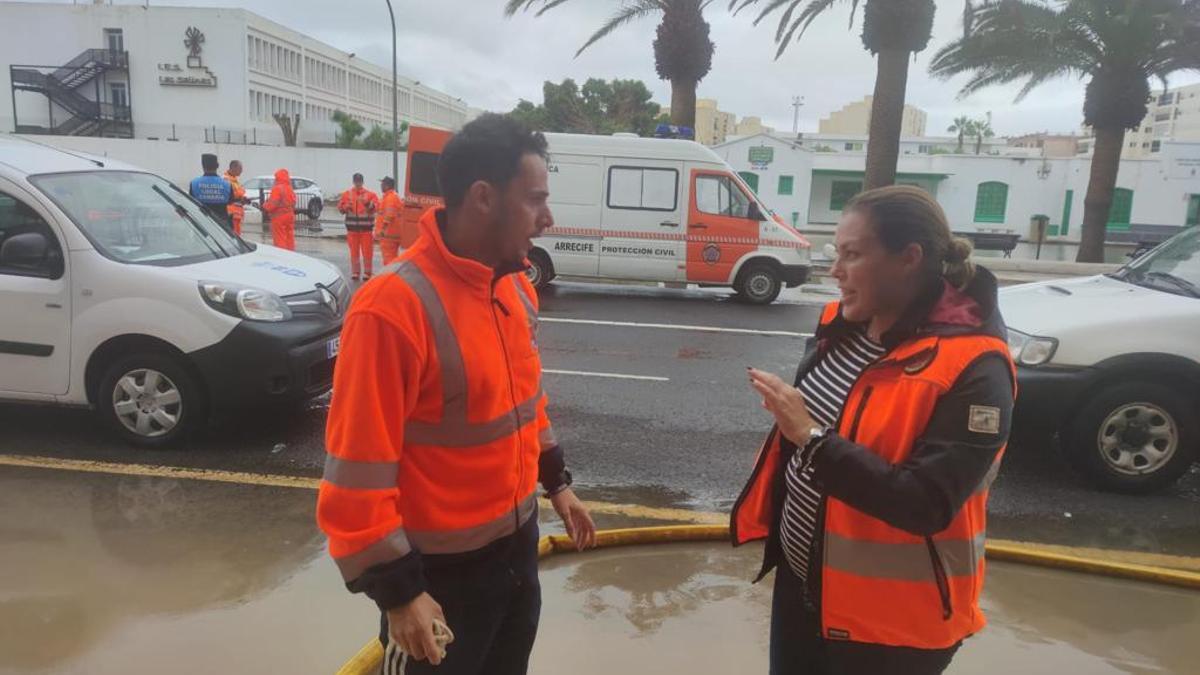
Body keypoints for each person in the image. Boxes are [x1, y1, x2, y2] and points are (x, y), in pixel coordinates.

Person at [317, 113, 596, 675]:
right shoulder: (391, 309)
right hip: (436, 583)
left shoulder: (513, 288)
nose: (547, 219)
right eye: (535, 200)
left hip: (515, 557)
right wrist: (400, 594)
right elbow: (356, 479)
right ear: (483, 198)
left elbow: (526, 404)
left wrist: (556, 483)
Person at [732, 185, 1016, 675]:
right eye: (835, 253)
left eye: (852, 255)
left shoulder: (976, 367)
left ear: (909, 258)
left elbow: (925, 502)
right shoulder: (839, 325)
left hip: (891, 628)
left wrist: (810, 437)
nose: (834, 271)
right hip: (805, 586)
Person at [337, 173, 380, 280]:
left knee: (367, 253)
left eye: (359, 181)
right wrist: (345, 207)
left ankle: (367, 273)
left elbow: (376, 207)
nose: (358, 183)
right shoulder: (347, 194)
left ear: (362, 182)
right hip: (352, 230)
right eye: (356, 181)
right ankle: (355, 272)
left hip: (366, 230)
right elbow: (340, 208)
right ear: (353, 182)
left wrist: (369, 205)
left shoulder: (371, 195)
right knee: (354, 253)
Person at [189, 153, 233, 231]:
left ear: (203, 166)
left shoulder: (194, 183)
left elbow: (191, 202)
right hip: (221, 225)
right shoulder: (227, 184)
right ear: (217, 166)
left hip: (202, 224)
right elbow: (230, 201)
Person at [261, 168, 296, 251]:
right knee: (289, 235)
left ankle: (281, 254)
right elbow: (294, 201)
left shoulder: (277, 188)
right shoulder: (289, 188)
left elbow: (272, 204)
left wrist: (264, 206)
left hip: (279, 217)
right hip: (290, 215)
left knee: (279, 237)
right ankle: (291, 253)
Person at [374, 175, 404, 265]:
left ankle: (390, 273)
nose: (381, 186)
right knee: (392, 259)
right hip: (391, 234)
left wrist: (383, 230)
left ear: (386, 186)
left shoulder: (390, 198)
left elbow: (389, 215)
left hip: (388, 235)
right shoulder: (391, 197)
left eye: (382, 184)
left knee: (389, 260)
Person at [224, 160, 249, 236]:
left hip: (237, 213)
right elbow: (230, 195)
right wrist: (240, 198)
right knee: (234, 235)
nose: (241, 171)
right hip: (232, 212)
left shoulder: (234, 179)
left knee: (237, 234)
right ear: (233, 168)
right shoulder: (226, 179)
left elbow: (238, 193)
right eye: (240, 168)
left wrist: (244, 199)